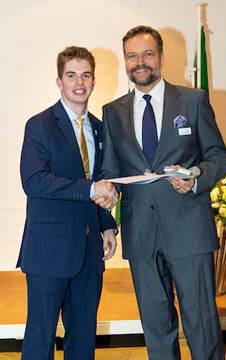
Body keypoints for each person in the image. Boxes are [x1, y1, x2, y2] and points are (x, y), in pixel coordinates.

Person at [99, 26, 226, 359]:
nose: (140, 62)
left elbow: (218, 156)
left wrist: (197, 177)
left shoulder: (193, 99)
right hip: (140, 234)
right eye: (132, 55)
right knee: (156, 327)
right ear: (125, 61)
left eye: (147, 54)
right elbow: (109, 171)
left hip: (189, 230)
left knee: (201, 323)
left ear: (160, 57)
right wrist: (108, 196)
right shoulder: (112, 111)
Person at [17, 46, 118, 360]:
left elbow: (102, 180)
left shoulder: (101, 129)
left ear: (93, 81)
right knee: (40, 337)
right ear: (59, 82)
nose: (79, 82)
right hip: (48, 252)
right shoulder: (39, 125)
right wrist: (90, 189)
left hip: (89, 254)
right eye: (71, 75)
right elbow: (33, 181)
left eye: (85, 75)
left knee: (84, 338)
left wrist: (108, 226)